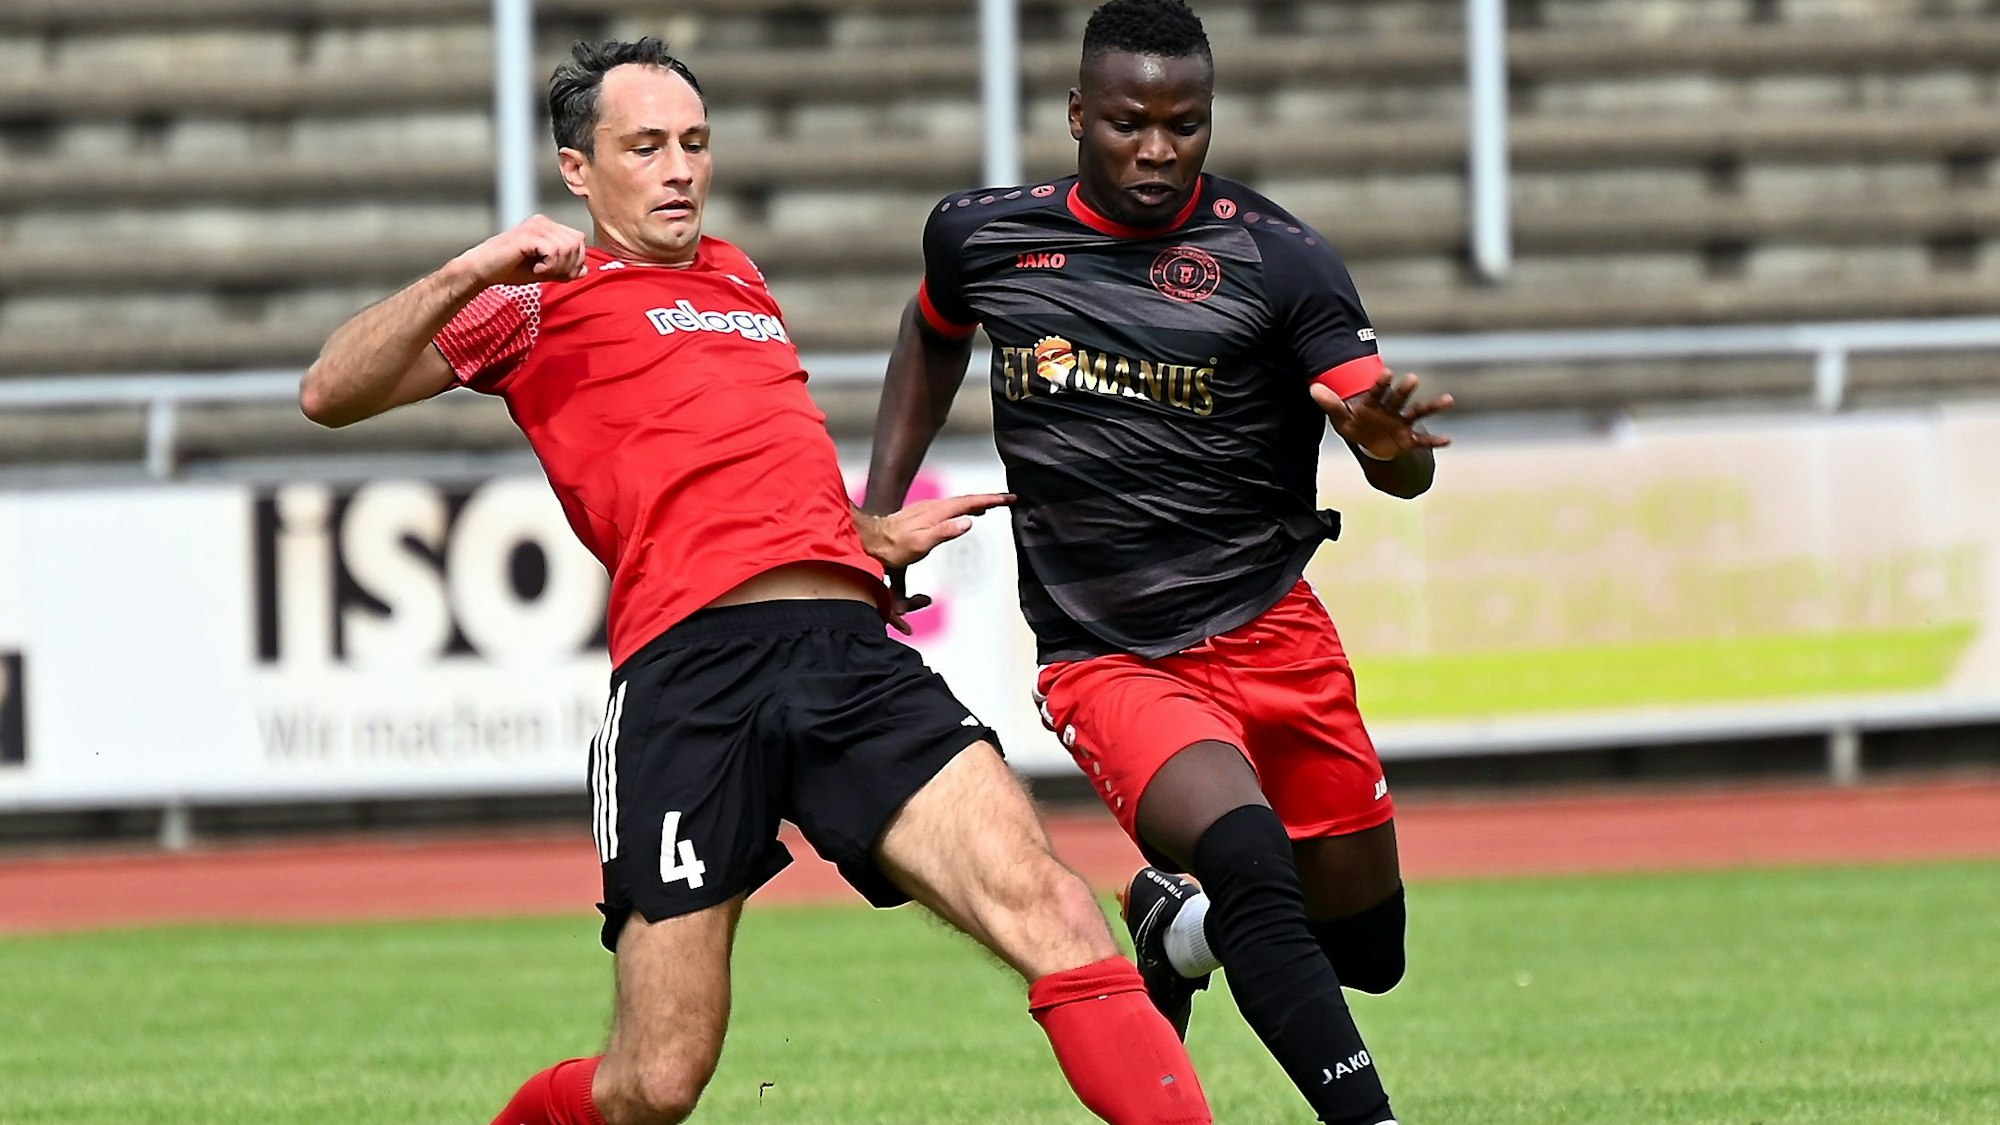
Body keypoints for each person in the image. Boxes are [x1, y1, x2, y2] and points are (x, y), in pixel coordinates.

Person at [300, 38, 1211, 1125]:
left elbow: (736, 466)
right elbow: (327, 392)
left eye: (694, 142)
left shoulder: (738, 275)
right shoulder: (540, 295)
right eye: (645, 146)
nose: (679, 166)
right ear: (577, 171)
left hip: (847, 658)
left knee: (1057, 912)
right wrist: (472, 268)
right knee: (655, 1080)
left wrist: (860, 534)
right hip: (689, 677)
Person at [862, 3, 1454, 1123]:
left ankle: (1170, 930)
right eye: (1130, 122)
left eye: (1184, 126)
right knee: (1252, 871)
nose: (1155, 149)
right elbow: (933, 328)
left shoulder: (1279, 260)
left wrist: (1389, 461)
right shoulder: (984, 237)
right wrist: (876, 511)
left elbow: (1392, 451)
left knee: (1366, 952)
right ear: (1077, 114)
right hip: (1107, 653)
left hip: (1273, 632)